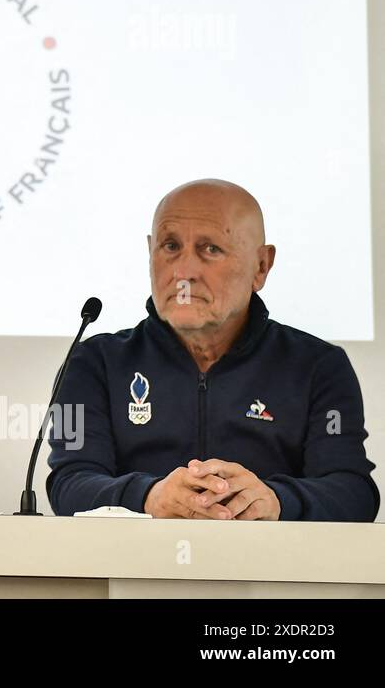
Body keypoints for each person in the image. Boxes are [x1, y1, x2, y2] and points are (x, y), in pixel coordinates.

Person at [47, 179, 377, 521]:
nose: (183, 272)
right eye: (170, 246)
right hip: (131, 569)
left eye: (210, 249)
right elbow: (69, 484)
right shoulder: (91, 363)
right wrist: (150, 496)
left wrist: (275, 500)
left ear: (261, 266)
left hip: (271, 570)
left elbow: (353, 493)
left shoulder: (318, 367)